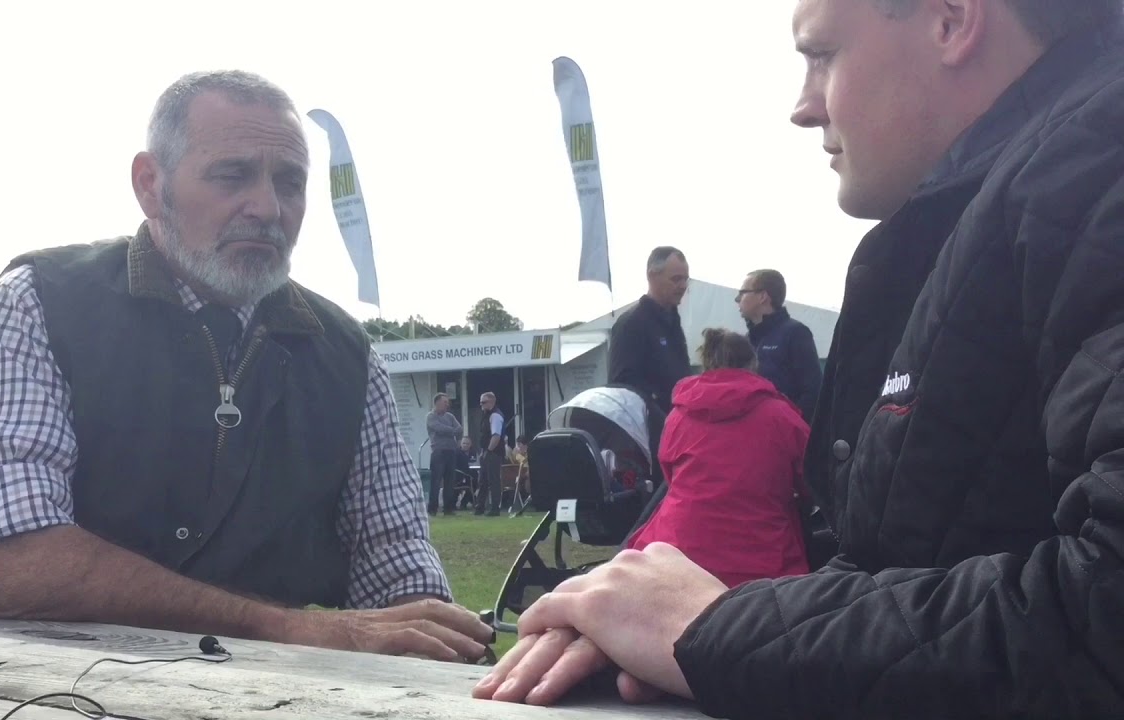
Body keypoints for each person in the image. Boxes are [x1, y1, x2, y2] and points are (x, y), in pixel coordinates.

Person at [474, 1, 1124, 715]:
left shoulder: (1096, 170)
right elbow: (903, 572)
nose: (803, 107)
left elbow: (1104, 610)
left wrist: (715, 631)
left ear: (950, 21)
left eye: (822, 55)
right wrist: (666, 630)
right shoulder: (979, 226)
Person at [0, 70, 491, 663]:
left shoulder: (349, 357)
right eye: (233, 175)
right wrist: (286, 628)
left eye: (291, 183)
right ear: (151, 185)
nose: (269, 207)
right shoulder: (39, 303)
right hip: (49, 692)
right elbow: (7, 564)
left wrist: (441, 642)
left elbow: (398, 568)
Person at [625, 329, 810, 588]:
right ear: (753, 365)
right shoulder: (782, 416)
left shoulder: (678, 416)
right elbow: (812, 481)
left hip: (677, 554)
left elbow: (670, 475)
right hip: (762, 565)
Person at [607, 247, 691, 413]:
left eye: (685, 279)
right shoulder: (631, 323)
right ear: (652, 276)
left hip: (678, 424)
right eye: (676, 279)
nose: (683, 286)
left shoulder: (673, 320)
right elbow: (621, 385)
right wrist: (658, 403)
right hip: (650, 428)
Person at [736, 269, 822, 422]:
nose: (737, 299)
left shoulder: (796, 333)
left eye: (743, 293)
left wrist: (787, 424)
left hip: (782, 433)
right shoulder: (747, 339)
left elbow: (812, 391)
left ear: (763, 296)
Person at [425, 393, 463, 516]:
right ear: (437, 403)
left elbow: (460, 429)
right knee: (436, 481)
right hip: (438, 452)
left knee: (450, 481)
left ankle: (448, 508)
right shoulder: (430, 416)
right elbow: (438, 428)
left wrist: (450, 431)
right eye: (444, 402)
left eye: (447, 402)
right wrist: (452, 431)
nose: (447, 404)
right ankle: (432, 508)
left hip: (451, 451)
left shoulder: (450, 416)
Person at [474, 392, 505, 516]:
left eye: (484, 402)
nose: (481, 405)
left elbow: (496, 436)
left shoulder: (495, 416)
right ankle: (480, 506)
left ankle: (495, 508)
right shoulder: (486, 415)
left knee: (493, 481)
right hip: (486, 451)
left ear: (492, 402)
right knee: (483, 481)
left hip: (493, 453)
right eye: (481, 402)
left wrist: (489, 450)